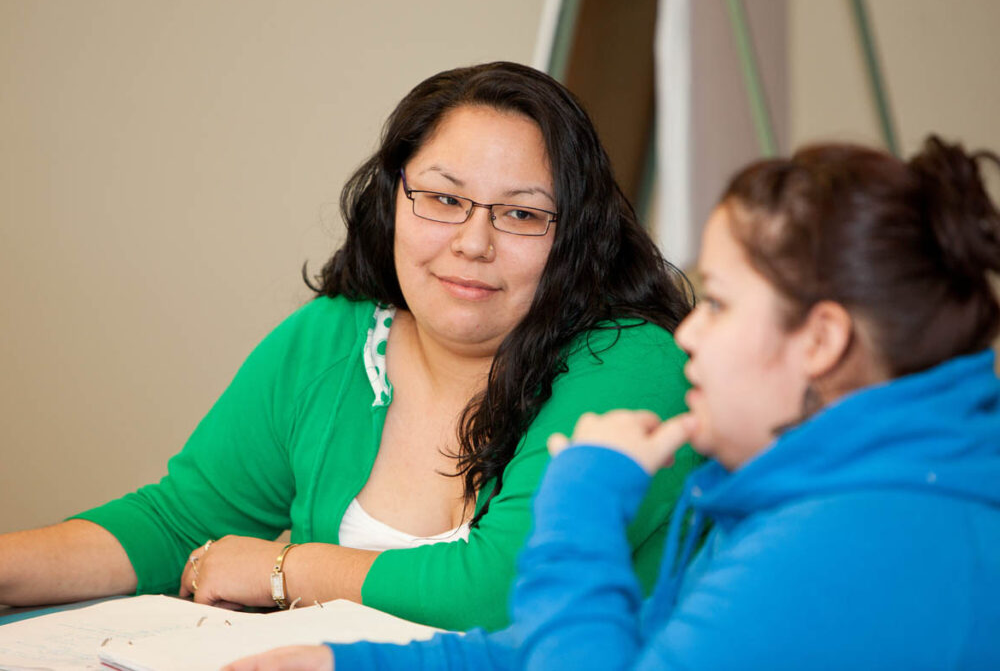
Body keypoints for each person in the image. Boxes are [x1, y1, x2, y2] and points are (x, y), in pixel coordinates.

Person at [0, 61, 701, 632]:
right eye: (443, 198)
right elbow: (178, 523)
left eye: (521, 214)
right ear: (394, 198)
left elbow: (502, 589)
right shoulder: (335, 334)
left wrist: (283, 570)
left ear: (575, 236)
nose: (472, 243)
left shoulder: (630, 360)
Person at [229, 135, 1000, 669]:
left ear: (821, 341)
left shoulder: (852, 542)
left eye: (722, 304)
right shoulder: (831, 502)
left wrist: (581, 506)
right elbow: (626, 646)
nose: (689, 335)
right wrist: (346, 663)